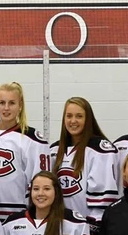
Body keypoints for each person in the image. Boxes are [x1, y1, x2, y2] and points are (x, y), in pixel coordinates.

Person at [0, 81, 50, 216]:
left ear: (20, 105)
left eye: (12, 103)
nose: (6, 108)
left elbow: (40, 181)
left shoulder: (32, 139)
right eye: (2, 103)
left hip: (18, 214)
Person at [51, 96, 120, 224]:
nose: (73, 121)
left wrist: (93, 226)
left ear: (88, 119)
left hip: (88, 226)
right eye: (69, 116)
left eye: (79, 116)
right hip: (60, 225)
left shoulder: (100, 149)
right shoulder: (54, 150)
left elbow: (102, 201)